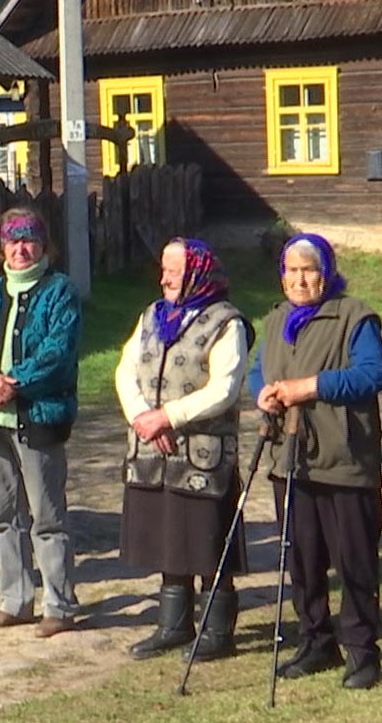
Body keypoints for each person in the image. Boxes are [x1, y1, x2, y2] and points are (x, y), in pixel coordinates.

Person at [252, 233, 382, 691]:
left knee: (354, 561)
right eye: (291, 269)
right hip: (289, 459)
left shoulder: (353, 315)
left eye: (309, 268)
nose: (299, 278)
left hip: (344, 458)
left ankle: (363, 651)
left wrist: (309, 387)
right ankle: (315, 642)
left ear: (327, 271)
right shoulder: (276, 320)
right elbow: (259, 370)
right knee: (303, 559)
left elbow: (372, 375)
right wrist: (263, 393)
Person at [114, 238, 251, 660]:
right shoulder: (154, 315)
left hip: (202, 453)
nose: (165, 277)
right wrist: (142, 416)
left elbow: (225, 389)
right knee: (166, 534)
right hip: (152, 450)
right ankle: (173, 625)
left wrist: (168, 416)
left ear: (197, 272)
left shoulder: (226, 322)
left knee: (207, 537)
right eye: (164, 269)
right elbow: (126, 369)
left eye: (174, 269)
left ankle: (217, 632)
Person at [0, 208, 83, 636]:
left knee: (47, 516)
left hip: (38, 417)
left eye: (29, 240)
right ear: (2, 249)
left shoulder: (59, 291)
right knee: (3, 515)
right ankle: (15, 598)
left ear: (44, 245)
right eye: (13, 242)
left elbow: (57, 350)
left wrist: (15, 383)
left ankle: (60, 605)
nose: (21, 249)